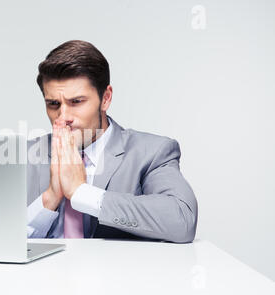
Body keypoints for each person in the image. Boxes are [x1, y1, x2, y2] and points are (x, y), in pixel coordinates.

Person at [27, 40, 197, 243]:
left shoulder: (152, 153)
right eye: (53, 104)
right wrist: (49, 199)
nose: (63, 117)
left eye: (77, 102)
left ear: (106, 98)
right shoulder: (25, 155)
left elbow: (182, 222)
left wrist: (81, 193)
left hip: (117, 275)